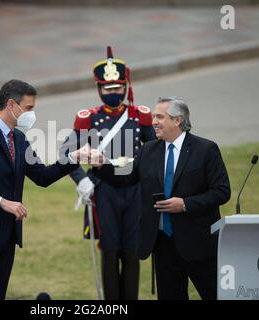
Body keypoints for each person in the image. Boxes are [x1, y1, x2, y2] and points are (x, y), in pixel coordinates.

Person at [0, 79, 84, 300]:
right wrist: (1, 202)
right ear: (12, 105)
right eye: (29, 108)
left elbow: (42, 176)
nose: (31, 114)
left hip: (7, 235)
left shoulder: (20, 139)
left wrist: (73, 157)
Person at [92, 97, 231, 300]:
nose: (153, 122)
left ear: (178, 120)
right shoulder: (149, 150)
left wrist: (185, 204)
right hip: (163, 243)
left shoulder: (205, 150)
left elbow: (221, 191)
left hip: (197, 242)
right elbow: (128, 178)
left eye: (159, 117)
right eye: (153, 117)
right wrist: (102, 165)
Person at [67, 46, 155, 300]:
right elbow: (67, 154)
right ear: (99, 89)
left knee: (131, 250)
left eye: (118, 87)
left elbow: (153, 152)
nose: (114, 93)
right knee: (109, 250)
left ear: (126, 87)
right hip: (103, 190)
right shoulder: (88, 119)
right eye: (108, 88)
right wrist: (82, 180)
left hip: (134, 189)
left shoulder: (140, 117)